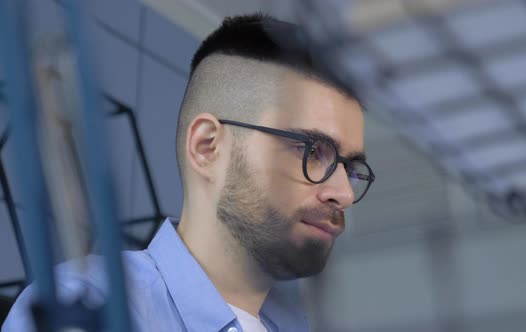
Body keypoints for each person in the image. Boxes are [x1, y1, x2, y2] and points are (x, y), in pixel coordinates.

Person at [2, 13, 374, 332]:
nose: (342, 192)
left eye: (351, 167)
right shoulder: (95, 307)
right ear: (208, 147)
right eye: (310, 151)